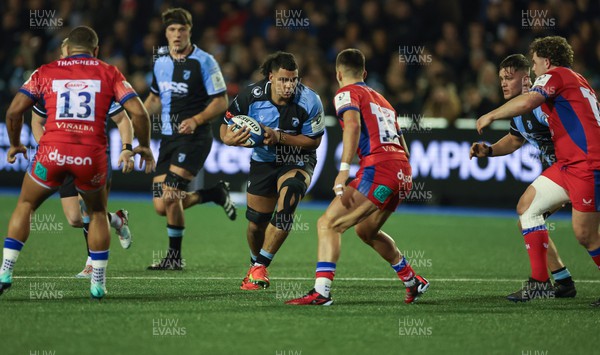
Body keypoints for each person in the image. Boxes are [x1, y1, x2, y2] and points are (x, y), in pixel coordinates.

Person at [0, 26, 155, 300]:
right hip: (89, 156)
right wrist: (142, 146)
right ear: (95, 51)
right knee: (92, 214)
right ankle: (98, 283)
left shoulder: (46, 72)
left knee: (25, 204)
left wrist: (15, 144)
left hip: (53, 154)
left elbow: (14, 112)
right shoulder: (108, 73)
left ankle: (5, 271)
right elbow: (139, 114)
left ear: (67, 48)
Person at [285, 48, 428, 305]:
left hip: (379, 170)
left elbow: (352, 125)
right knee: (366, 230)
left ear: (338, 73)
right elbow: (403, 148)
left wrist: (343, 170)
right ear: (364, 73)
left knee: (328, 224)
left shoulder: (346, 93)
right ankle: (412, 280)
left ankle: (322, 292)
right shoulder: (384, 101)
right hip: (402, 172)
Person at [477, 36, 600, 306]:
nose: (533, 70)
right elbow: (515, 138)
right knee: (527, 210)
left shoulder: (555, 79)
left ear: (546, 61)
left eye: (534, 64)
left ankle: (559, 280)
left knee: (585, 234)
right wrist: (488, 151)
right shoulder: (566, 83)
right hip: (567, 166)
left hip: (586, 164)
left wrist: (491, 114)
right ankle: (545, 281)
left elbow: (530, 104)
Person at [220, 51, 325, 290]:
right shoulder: (250, 95)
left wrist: (279, 136)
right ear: (271, 77)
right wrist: (230, 140)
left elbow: (313, 141)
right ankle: (255, 266)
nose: (289, 86)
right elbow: (224, 129)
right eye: (283, 80)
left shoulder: (310, 100)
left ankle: (260, 267)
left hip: (297, 160)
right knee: (256, 224)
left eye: (293, 79)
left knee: (289, 198)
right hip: (264, 162)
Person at [30, 38, 133, 278]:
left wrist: (126, 147)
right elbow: (37, 121)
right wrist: (47, 147)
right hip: (60, 155)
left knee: (89, 211)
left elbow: (123, 119)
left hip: (91, 155)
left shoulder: (97, 82)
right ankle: (117, 220)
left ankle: (92, 264)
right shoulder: (52, 81)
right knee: (75, 218)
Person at [144, 8, 235, 270]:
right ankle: (212, 194)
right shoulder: (160, 60)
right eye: (172, 30)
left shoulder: (204, 61)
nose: (177, 35)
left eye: (181, 30)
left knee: (171, 195)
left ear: (189, 32)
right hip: (168, 139)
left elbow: (220, 101)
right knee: (161, 205)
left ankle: (174, 258)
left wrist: (196, 119)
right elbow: (154, 98)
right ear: (166, 33)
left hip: (195, 138)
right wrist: (132, 116)